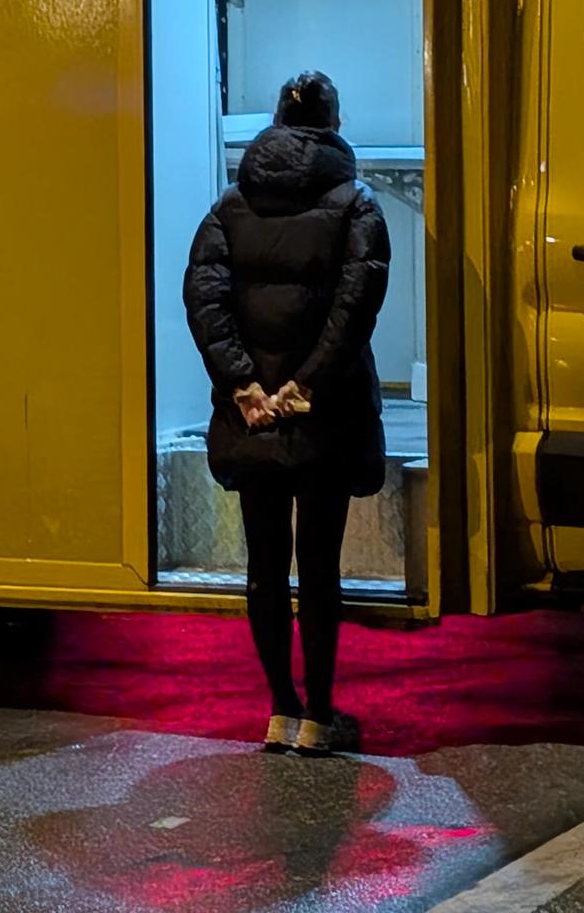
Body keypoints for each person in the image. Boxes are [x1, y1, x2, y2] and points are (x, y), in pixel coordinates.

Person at [184, 70, 389, 757]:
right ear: (333, 125)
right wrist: (304, 388)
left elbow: (205, 302)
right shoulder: (356, 206)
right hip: (321, 418)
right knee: (319, 567)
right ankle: (321, 718)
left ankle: (279, 709)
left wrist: (246, 388)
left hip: (253, 420)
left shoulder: (228, 207)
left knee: (265, 567)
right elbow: (355, 309)